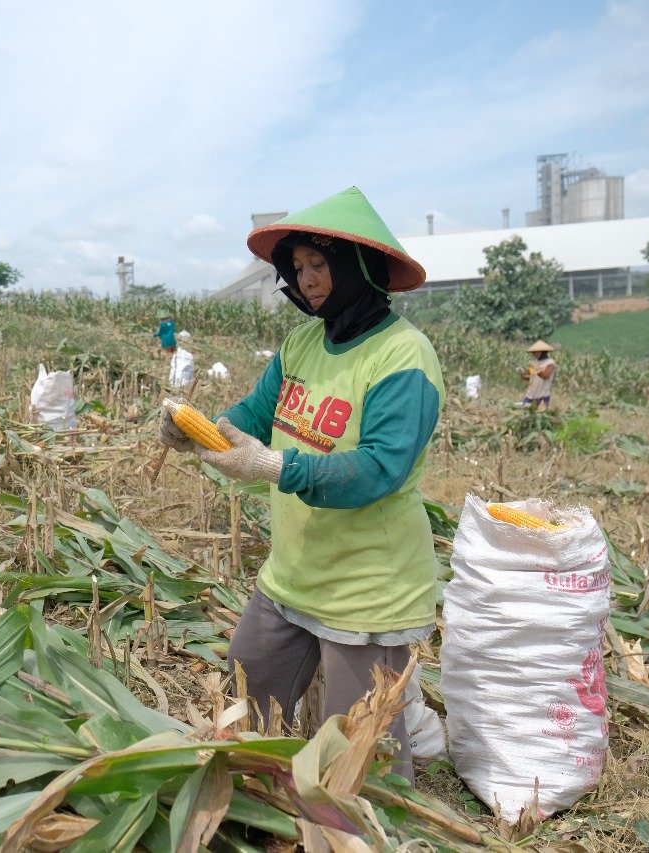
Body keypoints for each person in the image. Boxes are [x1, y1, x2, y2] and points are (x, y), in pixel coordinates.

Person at [157, 186, 443, 782]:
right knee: (247, 692)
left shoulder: (402, 358)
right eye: (298, 269)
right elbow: (254, 416)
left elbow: (378, 469)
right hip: (293, 574)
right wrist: (203, 432)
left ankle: (381, 831)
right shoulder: (302, 343)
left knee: (359, 751)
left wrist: (273, 467)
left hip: (367, 587)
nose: (308, 280)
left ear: (357, 267)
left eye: (320, 265)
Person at [517, 340, 557, 411]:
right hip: (530, 395)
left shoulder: (550, 362)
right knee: (524, 413)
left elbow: (545, 376)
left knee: (537, 416)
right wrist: (523, 375)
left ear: (540, 352)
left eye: (535, 352)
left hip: (542, 396)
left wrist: (536, 370)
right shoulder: (536, 362)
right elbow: (532, 378)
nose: (533, 354)